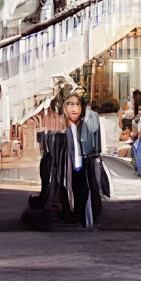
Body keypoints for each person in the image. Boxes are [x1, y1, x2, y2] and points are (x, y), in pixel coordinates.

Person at [61, 92, 106, 227]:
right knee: (82, 187)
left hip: (87, 157)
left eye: (77, 104)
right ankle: (84, 216)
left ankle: (89, 217)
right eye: (70, 104)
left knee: (88, 187)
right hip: (80, 159)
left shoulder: (89, 117)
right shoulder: (69, 122)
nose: (74, 108)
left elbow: (93, 134)